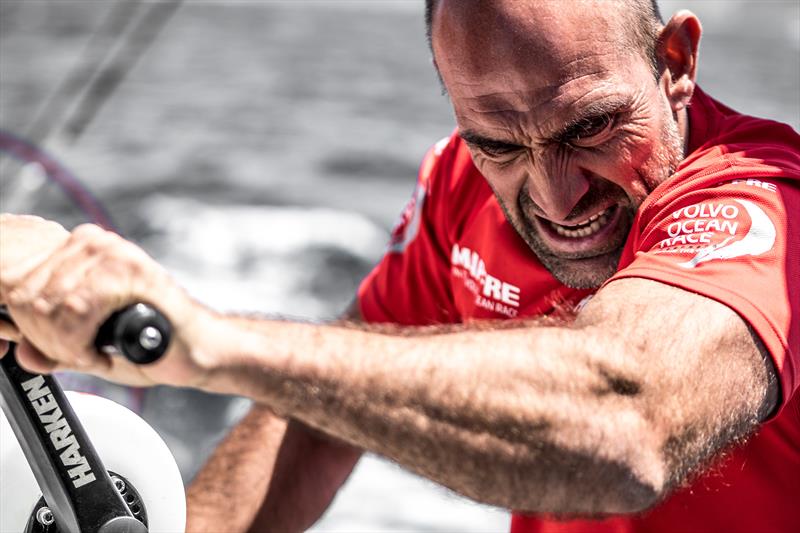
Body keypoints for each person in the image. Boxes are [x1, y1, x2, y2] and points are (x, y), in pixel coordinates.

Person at [1, 0, 798, 531]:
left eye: (588, 127)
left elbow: (628, 421)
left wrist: (193, 337)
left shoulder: (763, 198)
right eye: (498, 144)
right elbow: (314, 413)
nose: (556, 197)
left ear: (675, 60)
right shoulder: (459, 184)